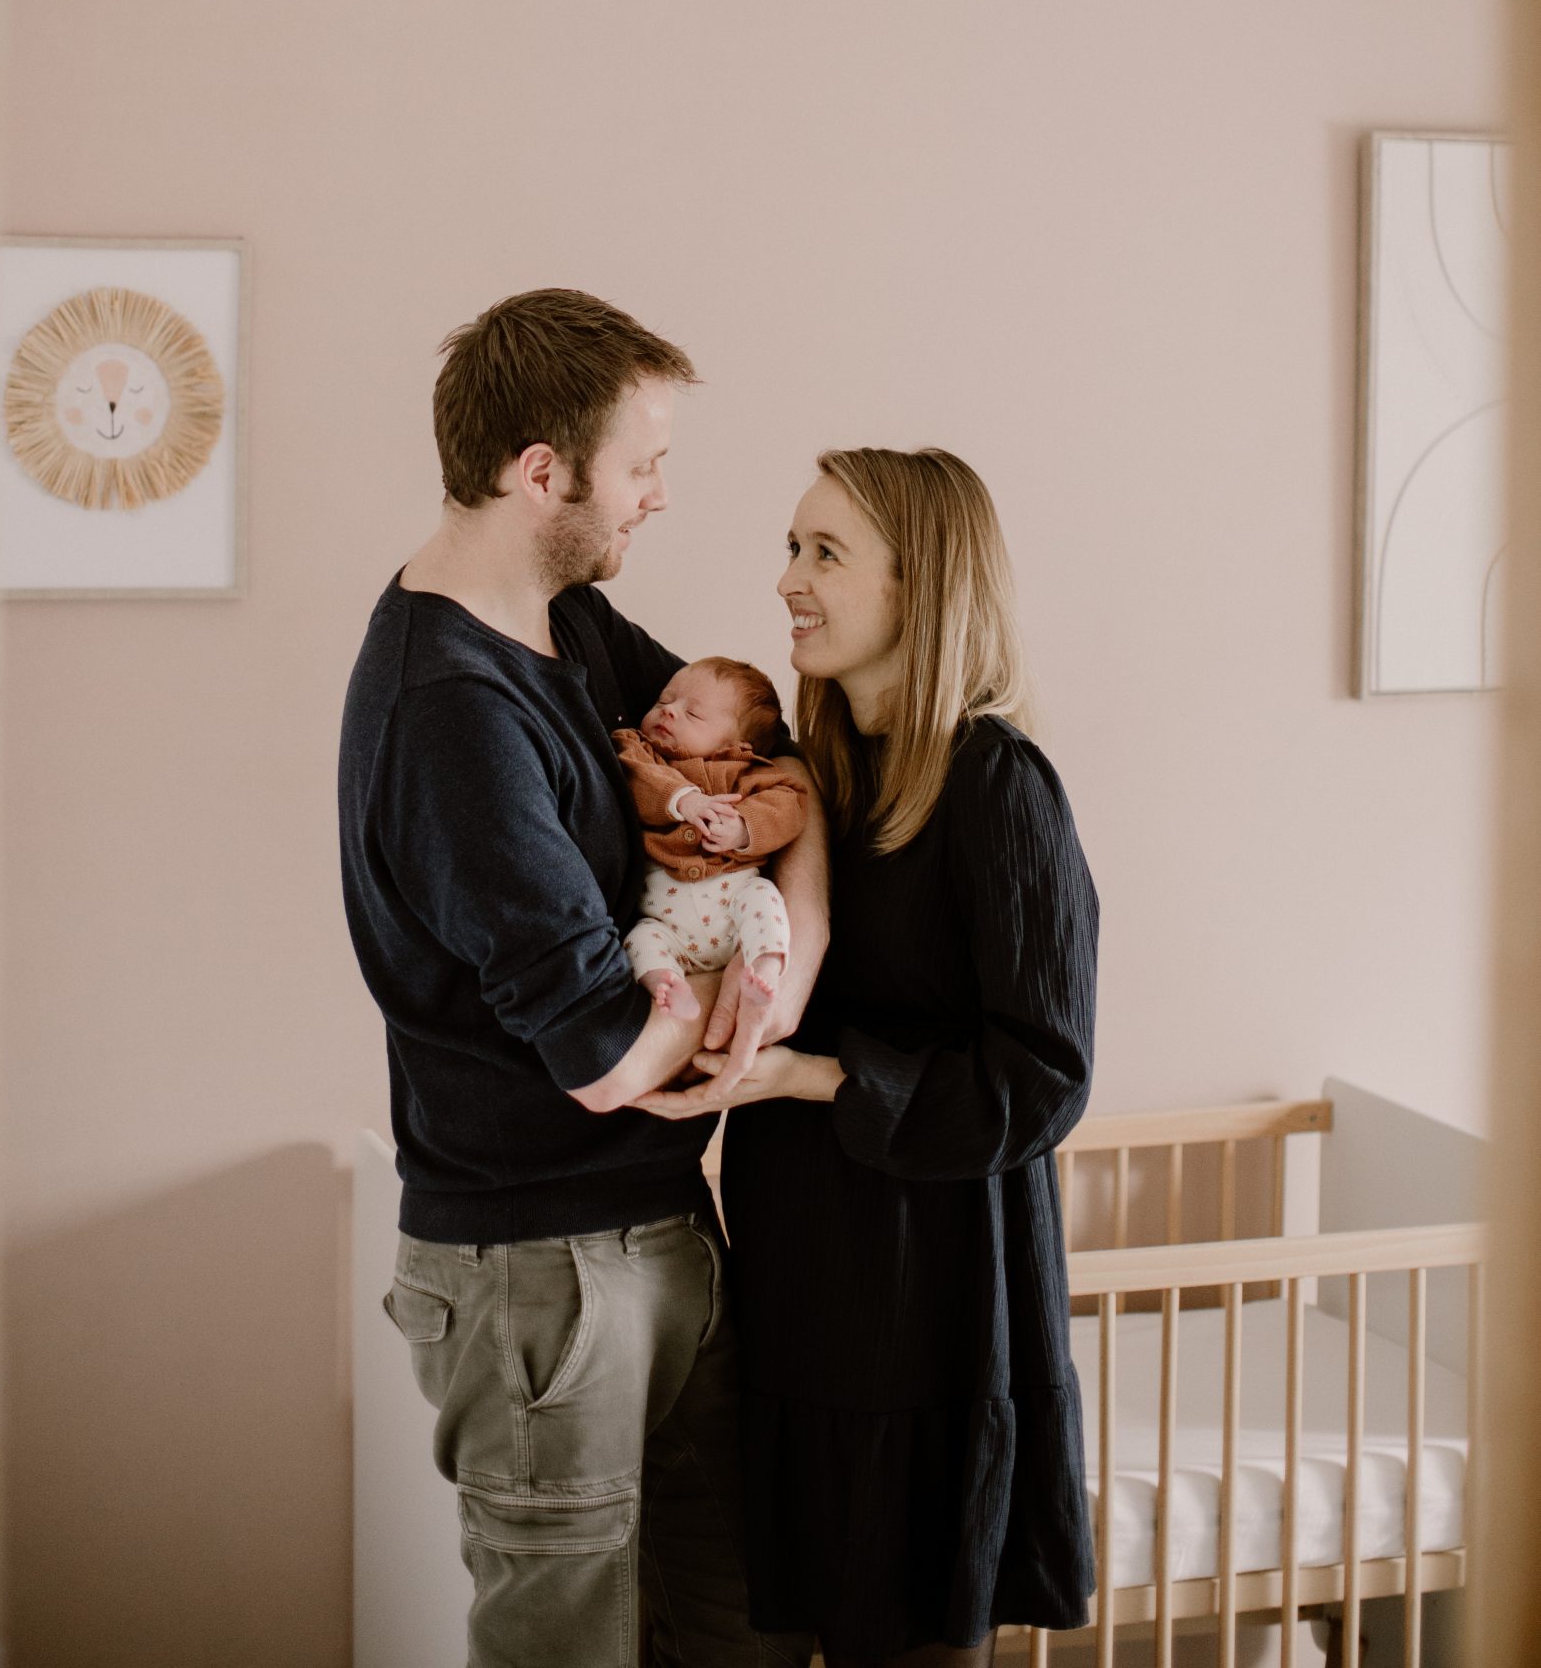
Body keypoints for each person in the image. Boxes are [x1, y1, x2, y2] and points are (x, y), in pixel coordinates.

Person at [338, 288, 824, 1668]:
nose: (660, 496)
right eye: (642, 465)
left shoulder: (573, 627)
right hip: (538, 1273)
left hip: (658, 1227)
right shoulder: (452, 708)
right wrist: (758, 1025)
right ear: (541, 473)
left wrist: (784, 963)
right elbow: (604, 1054)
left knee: (741, 1625)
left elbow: (773, 770)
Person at [636, 447, 1098, 1668]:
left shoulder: (999, 786)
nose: (788, 578)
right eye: (791, 547)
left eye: (825, 552)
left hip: (928, 1309)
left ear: (919, 583)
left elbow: (1044, 1077)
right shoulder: (812, 782)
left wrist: (807, 1076)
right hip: (800, 1288)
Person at [616, 656, 808, 1021]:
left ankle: (765, 966)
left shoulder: (747, 773)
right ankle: (668, 984)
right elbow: (634, 778)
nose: (669, 711)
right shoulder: (639, 752)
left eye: (693, 714)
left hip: (734, 906)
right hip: (665, 918)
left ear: (738, 744)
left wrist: (743, 828)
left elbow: (790, 805)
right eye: (663, 700)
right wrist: (684, 800)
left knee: (764, 898)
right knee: (639, 940)